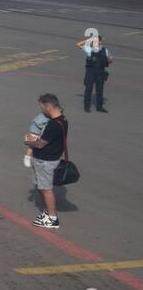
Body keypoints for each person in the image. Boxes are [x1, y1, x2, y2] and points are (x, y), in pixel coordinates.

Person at [24, 93, 67, 230]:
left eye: (42, 107)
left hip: (45, 162)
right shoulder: (62, 120)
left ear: (48, 107)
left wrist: (27, 141)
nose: (41, 110)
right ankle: (48, 213)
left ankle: (52, 218)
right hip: (47, 160)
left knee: (46, 189)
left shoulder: (53, 125)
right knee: (42, 187)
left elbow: (41, 144)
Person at [77, 28, 110, 113]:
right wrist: (88, 40)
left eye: (96, 41)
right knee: (88, 89)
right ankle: (87, 107)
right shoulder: (89, 49)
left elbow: (110, 60)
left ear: (100, 42)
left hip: (100, 71)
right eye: (93, 41)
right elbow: (78, 44)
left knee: (100, 90)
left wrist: (109, 60)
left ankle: (99, 107)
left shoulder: (105, 50)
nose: (94, 42)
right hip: (91, 71)